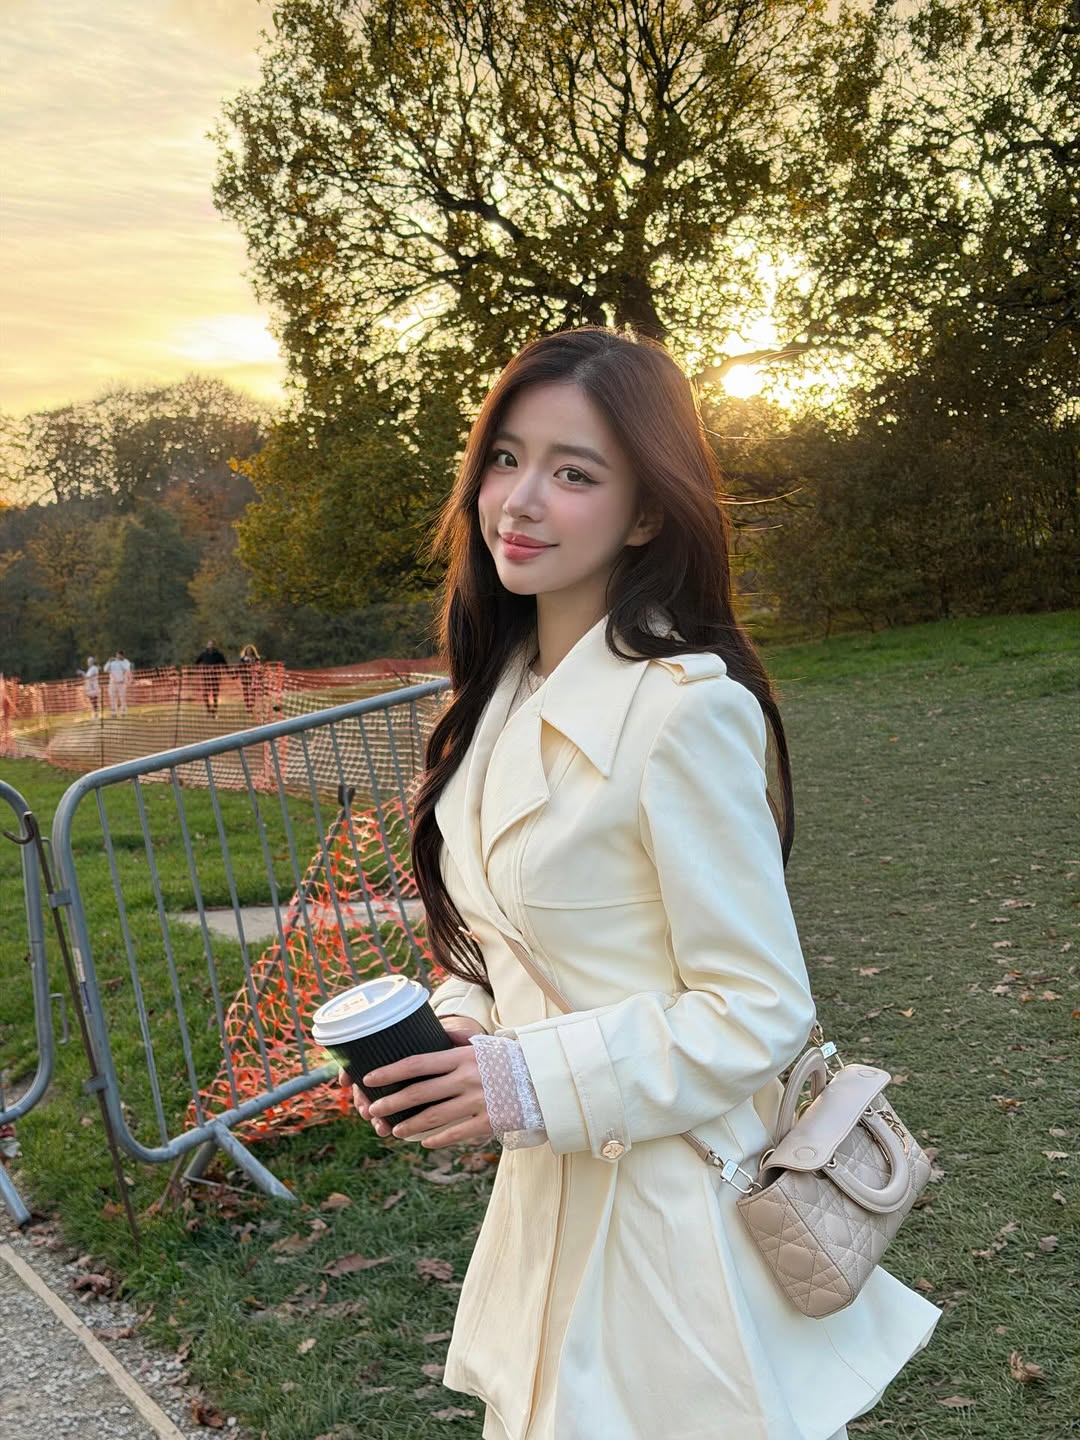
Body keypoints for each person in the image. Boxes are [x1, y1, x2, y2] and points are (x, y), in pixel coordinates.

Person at [340, 327, 940, 1440]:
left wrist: (522, 1081)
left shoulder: (683, 713)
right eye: (506, 458)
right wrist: (455, 1039)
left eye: (575, 473)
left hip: (675, 1216)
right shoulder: (491, 703)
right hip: (550, 1205)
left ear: (648, 511)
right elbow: (514, 945)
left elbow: (759, 1007)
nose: (520, 501)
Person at [195, 639, 227, 716]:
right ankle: (208, 709)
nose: (210, 646)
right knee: (205, 694)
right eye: (209, 644)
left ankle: (215, 710)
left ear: (214, 646)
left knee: (215, 694)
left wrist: (229, 673)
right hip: (205, 676)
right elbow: (196, 662)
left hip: (215, 676)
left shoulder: (218, 654)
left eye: (212, 644)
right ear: (207, 646)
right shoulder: (203, 654)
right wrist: (199, 670)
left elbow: (225, 664)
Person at [103, 650, 131, 717]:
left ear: (122, 655)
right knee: (112, 698)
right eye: (117, 655)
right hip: (112, 683)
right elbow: (105, 669)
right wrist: (108, 662)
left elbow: (126, 669)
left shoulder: (126, 662)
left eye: (119, 655)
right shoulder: (113, 662)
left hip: (121, 683)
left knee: (122, 698)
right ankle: (114, 713)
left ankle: (123, 712)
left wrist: (119, 661)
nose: (117, 656)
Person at [237, 642, 262, 715]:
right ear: (246, 651)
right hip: (245, 678)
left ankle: (252, 705)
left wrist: (259, 673)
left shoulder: (256, 658)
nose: (249, 652)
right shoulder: (243, 659)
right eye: (247, 650)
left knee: (253, 692)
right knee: (246, 693)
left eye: (250, 650)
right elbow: (239, 667)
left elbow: (259, 667)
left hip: (254, 678)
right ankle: (247, 706)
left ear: (253, 651)